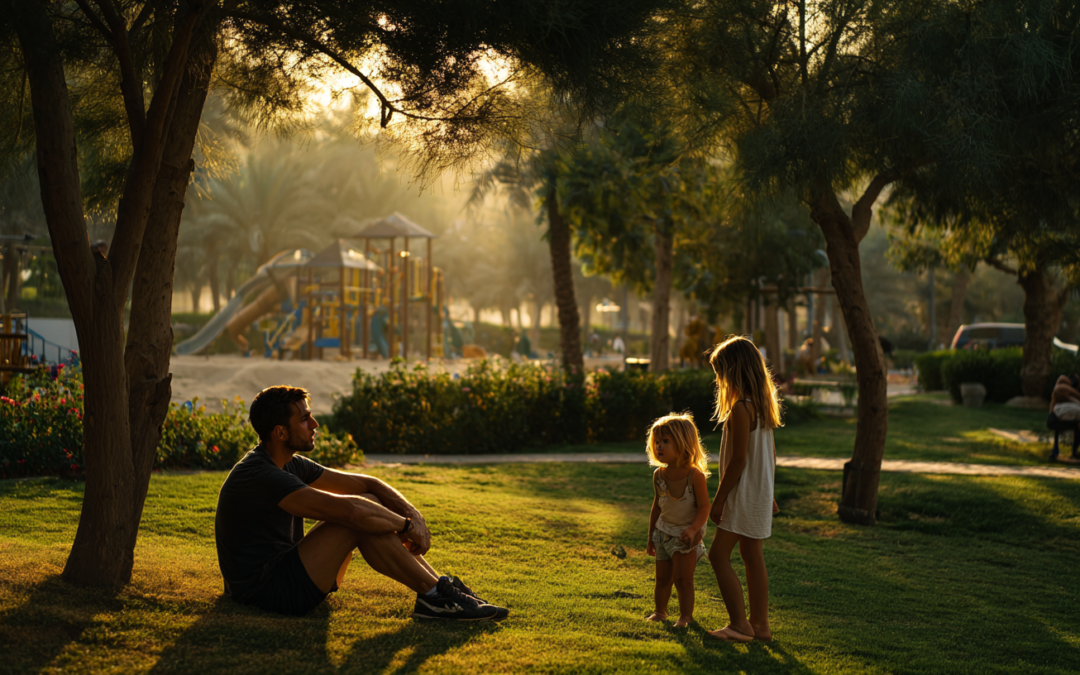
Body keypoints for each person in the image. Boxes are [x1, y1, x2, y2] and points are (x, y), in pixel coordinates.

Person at [214, 385, 508, 620]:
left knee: (366, 504)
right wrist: (404, 525)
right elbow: (352, 511)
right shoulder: (260, 474)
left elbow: (369, 484)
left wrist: (413, 516)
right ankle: (435, 596)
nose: (314, 424)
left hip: (290, 575)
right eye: (304, 419)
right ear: (280, 432)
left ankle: (441, 590)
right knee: (355, 518)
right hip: (265, 590)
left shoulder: (291, 464)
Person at [707, 335, 781, 642]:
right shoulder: (762, 407)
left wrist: (719, 500)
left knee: (717, 555)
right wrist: (770, 494)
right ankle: (760, 626)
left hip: (741, 494)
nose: (719, 380)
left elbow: (738, 461)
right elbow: (769, 456)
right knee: (752, 555)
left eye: (720, 372)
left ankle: (739, 624)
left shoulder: (740, 409)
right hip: (758, 493)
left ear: (733, 371)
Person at [644, 413, 711, 628]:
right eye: (656, 442)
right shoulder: (659, 475)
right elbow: (657, 506)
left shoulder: (695, 476)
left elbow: (704, 507)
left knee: (683, 580)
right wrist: (651, 536)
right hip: (662, 534)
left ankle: (685, 616)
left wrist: (693, 530)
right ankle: (660, 611)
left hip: (685, 537)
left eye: (665, 441)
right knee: (662, 578)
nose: (659, 446)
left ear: (683, 444)